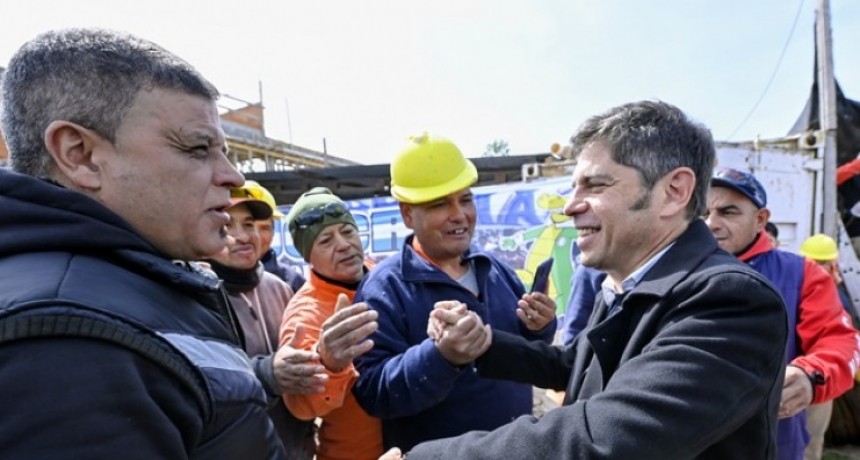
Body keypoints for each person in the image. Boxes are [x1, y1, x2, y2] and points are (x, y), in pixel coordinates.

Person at [381, 100, 789, 459]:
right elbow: (576, 365)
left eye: (594, 185)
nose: (571, 207)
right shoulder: (623, 285)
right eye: (573, 187)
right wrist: (483, 345)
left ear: (673, 191)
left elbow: (607, 437)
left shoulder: (731, 301)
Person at [0, 28, 284, 458]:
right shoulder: (67, 343)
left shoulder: (117, 297)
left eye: (225, 151)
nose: (233, 176)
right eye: (196, 148)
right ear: (80, 154)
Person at [353, 133, 558, 451]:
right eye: (439, 204)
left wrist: (538, 327)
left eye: (465, 199)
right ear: (408, 214)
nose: (459, 214)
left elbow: (525, 350)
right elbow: (373, 393)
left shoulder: (493, 268)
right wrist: (440, 358)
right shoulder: (384, 289)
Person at [705, 168, 860, 460]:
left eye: (728, 212)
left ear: (761, 219)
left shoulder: (803, 273)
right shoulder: (672, 271)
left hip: (773, 441)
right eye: (702, 213)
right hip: (685, 440)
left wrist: (809, 376)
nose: (711, 223)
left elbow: (839, 341)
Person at [205, 185, 320, 459]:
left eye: (249, 224)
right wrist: (268, 374)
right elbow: (205, 384)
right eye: (228, 224)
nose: (243, 236)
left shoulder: (280, 288)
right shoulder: (198, 295)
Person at [279, 187, 383, 460]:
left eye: (347, 232)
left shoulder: (384, 278)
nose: (343, 244)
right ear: (307, 257)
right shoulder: (305, 314)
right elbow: (300, 406)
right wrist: (328, 364)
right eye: (325, 240)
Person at [797, 233, 858, 460]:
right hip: (818, 378)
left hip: (800, 374)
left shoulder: (795, 284)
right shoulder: (830, 293)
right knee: (811, 443)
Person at [243, 180, 307, 293]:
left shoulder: (294, 282)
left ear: (273, 232)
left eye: (264, 228)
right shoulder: (208, 283)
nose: (256, 235)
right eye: (247, 225)